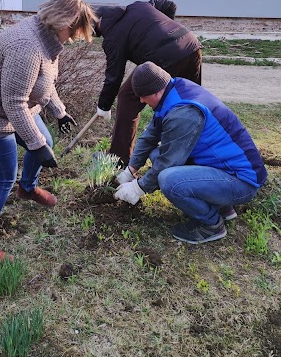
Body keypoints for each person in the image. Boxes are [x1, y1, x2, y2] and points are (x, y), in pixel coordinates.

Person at [0, 0, 97, 266]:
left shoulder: (47, 39)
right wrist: (36, 144)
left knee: (45, 139)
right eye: (74, 31)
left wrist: (60, 112)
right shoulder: (27, 47)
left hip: (8, 102)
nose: (74, 37)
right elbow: (14, 102)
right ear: (62, 22)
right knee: (3, 178)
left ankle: (27, 188)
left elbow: (43, 83)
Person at [114, 62, 268, 244]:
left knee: (168, 179)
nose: (141, 101)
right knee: (155, 154)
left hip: (241, 181)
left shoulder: (183, 112)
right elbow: (149, 137)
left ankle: (212, 225)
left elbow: (168, 163)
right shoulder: (173, 90)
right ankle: (221, 206)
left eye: (143, 97)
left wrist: (138, 188)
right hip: (223, 170)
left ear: (155, 91)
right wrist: (130, 170)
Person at [94, 0, 202, 164]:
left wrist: (104, 106)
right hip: (191, 46)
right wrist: (166, 30)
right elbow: (169, 5)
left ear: (99, 23)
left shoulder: (112, 35)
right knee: (191, 104)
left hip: (165, 57)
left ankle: (118, 159)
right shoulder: (139, 6)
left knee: (127, 98)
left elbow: (114, 76)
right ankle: (197, 157)